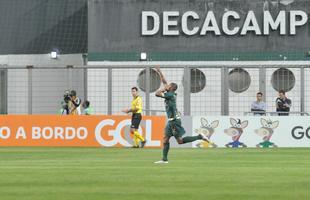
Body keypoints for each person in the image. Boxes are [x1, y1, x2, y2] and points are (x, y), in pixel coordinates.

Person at [154, 66, 209, 164]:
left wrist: (163, 89)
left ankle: (199, 137)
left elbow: (157, 93)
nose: (167, 85)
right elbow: (164, 81)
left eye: (168, 86)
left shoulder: (170, 95)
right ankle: (164, 159)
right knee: (165, 138)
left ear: (171, 88)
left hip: (174, 121)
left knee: (180, 141)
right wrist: (159, 71)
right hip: (171, 120)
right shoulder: (170, 92)